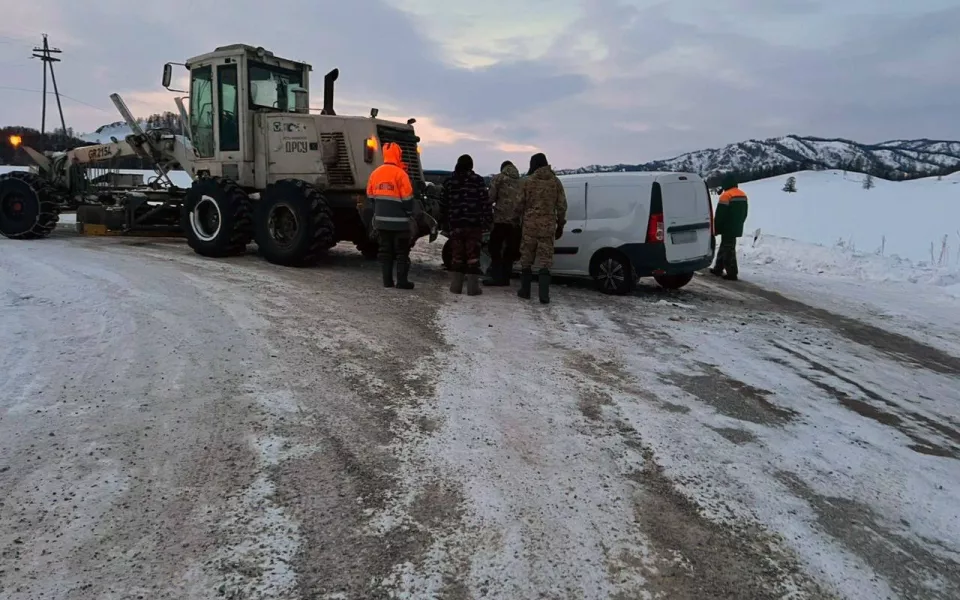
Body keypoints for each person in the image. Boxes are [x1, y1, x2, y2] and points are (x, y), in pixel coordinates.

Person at [364, 142, 417, 289]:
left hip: (381, 222)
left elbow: (370, 195)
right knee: (401, 253)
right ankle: (402, 282)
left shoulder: (376, 173)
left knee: (385, 252)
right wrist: (409, 214)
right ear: (398, 154)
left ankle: (387, 281)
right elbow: (408, 199)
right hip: (400, 224)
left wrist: (379, 211)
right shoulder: (401, 174)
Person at [438, 154, 492, 295]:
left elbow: (443, 204)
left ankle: (455, 287)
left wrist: (444, 221)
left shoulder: (449, 181)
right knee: (473, 255)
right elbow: (485, 203)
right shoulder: (478, 181)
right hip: (474, 224)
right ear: (471, 166)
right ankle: (473, 288)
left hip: (455, 224)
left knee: (457, 255)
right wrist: (488, 220)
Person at [517, 152, 566, 304]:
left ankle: (525, 291)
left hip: (530, 226)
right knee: (545, 261)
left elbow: (519, 204)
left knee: (526, 259)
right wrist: (560, 224)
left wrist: (520, 221)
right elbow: (562, 206)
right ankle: (544, 295)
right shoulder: (555, 182)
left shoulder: (528, 181)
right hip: (548, 226)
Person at [482, 160, 522, 286]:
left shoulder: (498, 178)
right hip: (515, 222)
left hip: (501, 220)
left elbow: (491, 197)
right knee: (510, 251)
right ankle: (506, 277)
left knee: (495, 248)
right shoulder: (522, 182)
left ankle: (496, 276)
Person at [710, 174, 749, 281]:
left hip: (727, 227)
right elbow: (745, 213)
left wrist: (716, 228)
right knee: (725, 246)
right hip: (737, 226)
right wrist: (739, 223)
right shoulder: (743, 195)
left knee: (728, 250)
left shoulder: (726, 195)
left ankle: (732, 273)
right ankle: (718, 268)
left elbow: (720, 215)